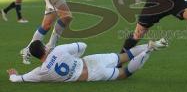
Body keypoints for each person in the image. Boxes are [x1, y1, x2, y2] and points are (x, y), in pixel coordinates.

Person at [7, 38, 168, 82]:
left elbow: (19, 79)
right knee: (124, 57)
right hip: (91, 61)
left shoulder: (41, 72)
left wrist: (13, 75)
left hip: (92, 75)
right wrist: (73, 57)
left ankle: (150, 50)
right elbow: (82, 45)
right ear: (45, 47)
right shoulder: (59, 50)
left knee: (124, 72)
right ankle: (149, 45)